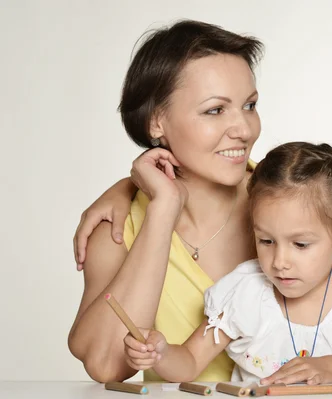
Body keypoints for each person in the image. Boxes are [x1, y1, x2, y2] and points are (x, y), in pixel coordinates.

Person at [67, 20, 264, 383]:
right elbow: (105, 364)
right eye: (215, 110)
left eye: (249, 105)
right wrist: (162, 209)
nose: (244, 129)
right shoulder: (117, 226)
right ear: (157, 121)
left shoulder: (289, 193)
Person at [123, 142, 332, 384]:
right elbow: (188, 363)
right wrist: (160, 353)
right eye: (266, 241)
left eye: (300, 244)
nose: (279, 262)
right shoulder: (245, 292)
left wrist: (330, 369)